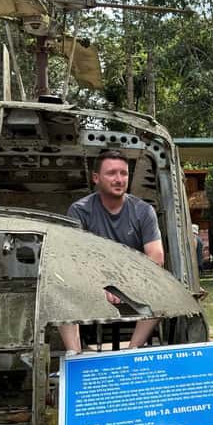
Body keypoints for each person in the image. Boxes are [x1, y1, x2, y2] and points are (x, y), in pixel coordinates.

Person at [59, 150, 164, 353]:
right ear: (96, 178)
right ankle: (75, 357)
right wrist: (101, 285)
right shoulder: (79, 210)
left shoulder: (143, 211)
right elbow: (74, 259)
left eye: (123, 173)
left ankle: (132, 351)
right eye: (111, 173)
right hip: (92, 283)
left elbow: (156, 258)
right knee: (61, 292)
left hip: (133, 283)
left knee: (161, 292)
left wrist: (126, 285)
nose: (119, 179)